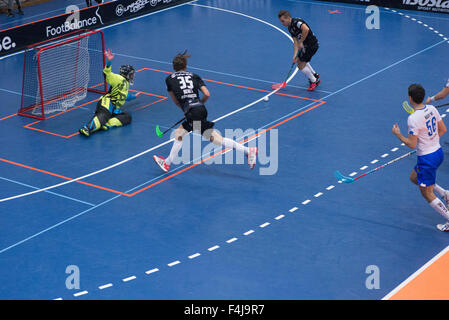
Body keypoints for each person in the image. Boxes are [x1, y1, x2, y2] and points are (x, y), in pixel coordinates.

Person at [153, 51, 258, 173]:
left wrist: (187, 110)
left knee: (191, 136)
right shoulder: (194, 76)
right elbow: (207, 94)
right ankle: (247, 150)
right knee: (188, 134)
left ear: (173, 67)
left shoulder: (169, 80)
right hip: (200, 109)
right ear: (185, 66)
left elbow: (176, 101)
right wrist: (199, 104)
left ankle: (167, 163)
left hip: (192, 112)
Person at [392, 84, 449, 232]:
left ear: (410, 98)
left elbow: (411, 144)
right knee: (414, 177)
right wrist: (430, 142)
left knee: (427, 193)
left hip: (427, 158)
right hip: (438, 153)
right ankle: (445, 194)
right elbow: (442, 129)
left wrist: (398, 134)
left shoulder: (412, 119)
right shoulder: (432, 109)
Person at [79, 49, 139, 137]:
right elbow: (107, 73)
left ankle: (107, 125)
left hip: (114, 108)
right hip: (106, 104)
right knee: (103, 115)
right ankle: (87, 128)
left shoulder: (125, 84)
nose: (132, 76)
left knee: (127, 117)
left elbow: (124, 96)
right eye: (131, 74)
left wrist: (134, 96)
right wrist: (109, 61)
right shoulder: (118, 78)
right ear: (126, 74)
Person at [278, 10, 320, 91]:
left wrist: (301, 42)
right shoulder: (290, 28)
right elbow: (295, 43)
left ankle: (314, 81)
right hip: (306, 46)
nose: (282, 23)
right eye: (281, 21)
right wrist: (294, 56)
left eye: (283, 21)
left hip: (311, 45)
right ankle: (315, 75)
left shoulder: (297, 22)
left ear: (288, 18)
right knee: (299, 60)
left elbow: (306, 29)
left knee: (300, 65)